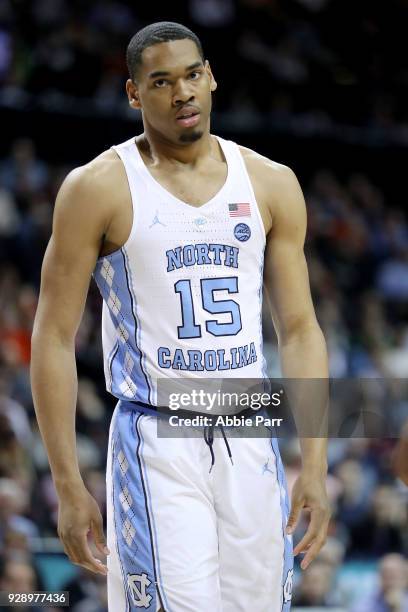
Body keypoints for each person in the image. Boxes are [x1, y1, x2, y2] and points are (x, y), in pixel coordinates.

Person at [31, 21, 330, 612]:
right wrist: (67, 482)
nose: (183, 93)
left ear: (212, 77)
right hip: (155, 434)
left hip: (250, 428)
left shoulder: (272, 182)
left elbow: (298, 330)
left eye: (193, 75)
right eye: (162, 81)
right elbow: (53, 336)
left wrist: (315, 464)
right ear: (135, 94)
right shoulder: (97, 187)